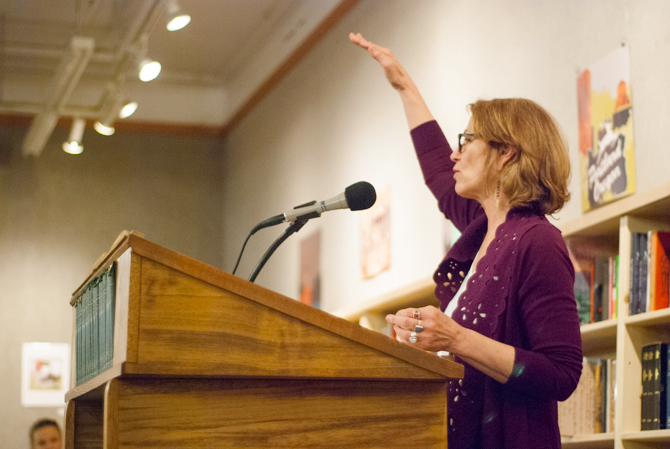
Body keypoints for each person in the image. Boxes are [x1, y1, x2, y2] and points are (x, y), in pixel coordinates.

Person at [349, 33, 583, 449]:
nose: (456, 154)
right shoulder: (480, 228)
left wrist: (454, 338)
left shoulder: (538, 242)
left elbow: (562, 373)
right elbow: (439, 171)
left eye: (467, 140)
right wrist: (404, 87)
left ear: (506, 152)